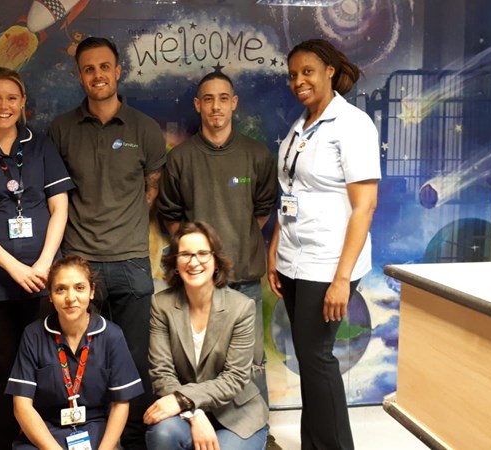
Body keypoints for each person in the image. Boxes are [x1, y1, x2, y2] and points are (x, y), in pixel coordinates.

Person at [48, 36, 166, 449]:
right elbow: (55, 196)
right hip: (80, 266)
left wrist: (122, 224)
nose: (97, 75)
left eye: (104, 67)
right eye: (88, 68)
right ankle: (91, 440)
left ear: (118, 71)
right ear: (79, 75)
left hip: (131, 262)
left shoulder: (145, 129)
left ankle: (132, 442)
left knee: (135, 361)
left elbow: (152, 188)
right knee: (81, 359)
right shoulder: (60, 130)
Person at [0, 67, 74, 449]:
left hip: (41, 279)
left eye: (11, 98)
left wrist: (44, 264)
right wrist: (14, 267)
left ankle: (43, 443)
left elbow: (60, 207)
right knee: (2, 368)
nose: (3, 105)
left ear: (23, 103)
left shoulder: (41, 146)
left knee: (45, 365)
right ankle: (8, 444)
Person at [267, 39, 380, 450]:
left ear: (330, 71)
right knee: (309, 360)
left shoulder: (352, 125)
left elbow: (365, 207)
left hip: (329, 263)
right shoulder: (301, 125)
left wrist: (342, 279)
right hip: (293, 259)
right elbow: (290, 192)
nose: (298, 81)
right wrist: (275, 250)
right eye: (293, 75)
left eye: (307, 72)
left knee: (317, 358)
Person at [156, 72, 278, 445]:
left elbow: (262, 211)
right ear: (198, 105)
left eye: (223, 98)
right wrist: (198, 256)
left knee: (251, 365)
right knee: (196, 361)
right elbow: (171, 214)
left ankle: (258, 433)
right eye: (208, 99)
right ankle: (198, 424)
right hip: (196, 286)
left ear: (234, 103)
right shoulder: (182, 158)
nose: (216, 107)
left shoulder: (256, 154)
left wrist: (229, 250)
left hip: (243, 277)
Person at [144, 222, 269, 450]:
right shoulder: (161, 305)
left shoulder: (241, 307)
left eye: (202, 253)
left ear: (216, 261)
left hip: (237, 415)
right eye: (185, 254)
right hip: (184, 414)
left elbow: (234, 378)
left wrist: (183, 399)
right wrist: (194, 412)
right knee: (162, 433)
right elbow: (161, 372)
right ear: (175, 263)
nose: (194, 262)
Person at [6, 256, 144, 449]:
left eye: (80, 288)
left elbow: (120, 404)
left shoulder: (112, 335)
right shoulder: (33, 335)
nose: (70, 298)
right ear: (50, 295)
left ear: (92, 291)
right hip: (46, 432)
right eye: (60, 289)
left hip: (96, 430)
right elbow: (22, 406)